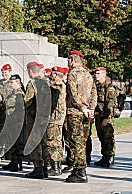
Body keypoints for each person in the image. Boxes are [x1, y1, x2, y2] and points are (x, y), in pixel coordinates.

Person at [65, 50, 97, 183]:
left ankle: (80, 170)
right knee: (82, 141)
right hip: (86, 113)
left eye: (68, 60)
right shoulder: (88, 74)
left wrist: (83, 108)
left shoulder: (72, 74)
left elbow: (73, 95)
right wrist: (91, 108)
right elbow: (94, 92)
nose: (68, 63)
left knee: (76, 141)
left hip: (76, 112)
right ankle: (78, 169)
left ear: (72, 60)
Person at [24, 61, 49, 179]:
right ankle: (45, 167)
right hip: (44, 118)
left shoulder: (32, 84)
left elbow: (27, 101)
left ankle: (38, 168)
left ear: (30, 71)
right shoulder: (46, 82)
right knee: (43, 142)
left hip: (33, 118)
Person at [1, 74, 26, 172]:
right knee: (12, 142)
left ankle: (17, 163)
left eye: (12, 83)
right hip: (11, 121)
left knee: (16, 143)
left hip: (16, 122)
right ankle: (13, 161)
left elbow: (20, 109)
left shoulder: (19, 94)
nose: (10, 85)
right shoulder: (13, 94)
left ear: (18, 83)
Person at [93, 67, 117, 168]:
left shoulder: (109, 87)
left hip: (106, 116)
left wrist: (107, 118)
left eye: (98, 73)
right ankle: (105, 156)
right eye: (95, 73)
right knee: (101, 137)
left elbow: (111, 104)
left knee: (108, 137)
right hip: (99, 115)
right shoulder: (97, 86)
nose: (96, 75)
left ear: (104, 74)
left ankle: (110, 157)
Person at [45, 66, 66, 176]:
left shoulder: (58, 85)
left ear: (57, 75)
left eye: (52, 74)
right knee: (56, 142)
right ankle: (56, 166)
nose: (50, 76)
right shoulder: (61, 85)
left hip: (55, 117)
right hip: (56, 117)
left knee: (52, 142)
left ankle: (55, 167)